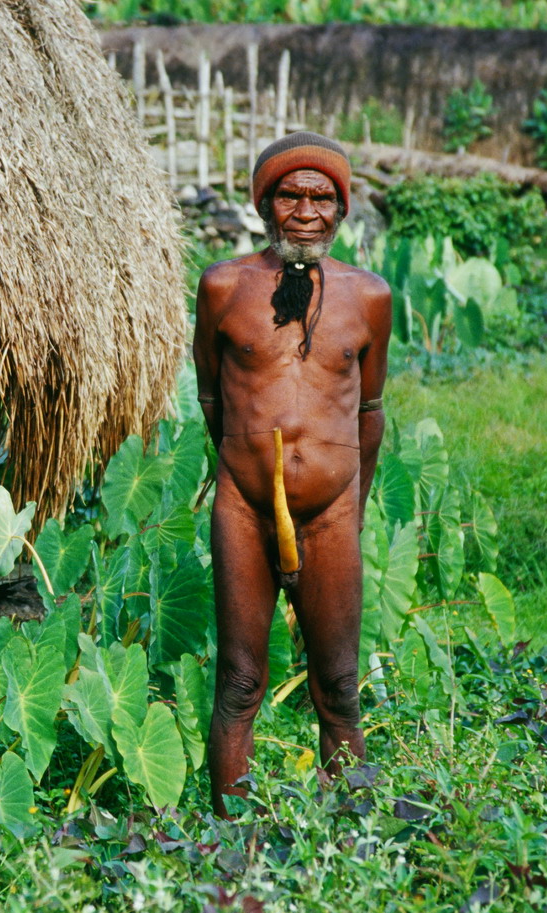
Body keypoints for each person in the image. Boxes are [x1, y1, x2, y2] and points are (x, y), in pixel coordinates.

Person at [192, 132, 392, 817]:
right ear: (264, 205)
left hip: (331, 512)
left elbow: (370, 413)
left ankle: (346, 844)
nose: (306, 211)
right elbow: (212, 396)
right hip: (244, 507)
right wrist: (243, 467)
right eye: (290, 195)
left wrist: (349, 509)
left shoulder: (370, 296)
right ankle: (228, 845)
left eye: (322, 197)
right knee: (239, 682)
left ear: (341, 209)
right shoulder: (222, 287)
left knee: (338, 687)